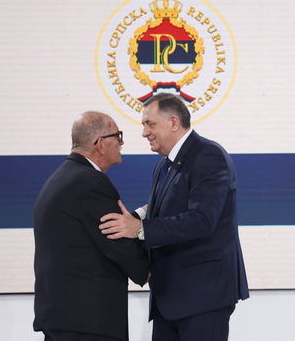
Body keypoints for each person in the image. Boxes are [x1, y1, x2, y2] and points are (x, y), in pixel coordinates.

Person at [99, 93, 249, 341]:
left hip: (203, 298)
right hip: (169, 299)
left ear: (173, 122)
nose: (144, 133)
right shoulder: (164, 163)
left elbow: (201, 220)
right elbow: (168, 205)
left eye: (150, 124)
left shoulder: (209, 156)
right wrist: (134, 217)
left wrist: (139, 228)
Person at [33, 111, 149, 341]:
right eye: (118, 136)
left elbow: (96, 228)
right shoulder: (91, 182)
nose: (121, 143)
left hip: (64, 316)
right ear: (100, 144)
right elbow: (115, 239)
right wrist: (148, 271)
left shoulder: (64, 177)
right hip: (87, 322)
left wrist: (144, 213)